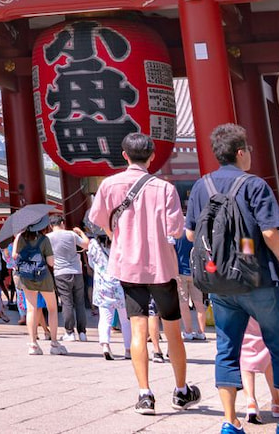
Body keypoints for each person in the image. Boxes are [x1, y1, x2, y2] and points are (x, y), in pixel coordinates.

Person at [184, 123, 279, 434]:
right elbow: (270, 232)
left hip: (220, 282)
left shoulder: (202, 187)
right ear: (241, 152)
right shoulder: (255, 185)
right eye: (250, 150)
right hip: (257, 278)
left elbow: (190, 233)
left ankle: (230, 422)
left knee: (227, 348)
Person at [90, 131, 200, 414]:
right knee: (172, 330)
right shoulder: (164, 189)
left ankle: (145, 394)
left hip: (128, 266)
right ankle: (180, 390)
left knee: (138, 329)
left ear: (124, 155)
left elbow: (98, 221)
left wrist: (117, 234)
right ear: (152, 156)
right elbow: (176, 230)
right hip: (160, 266)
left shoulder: (109, 185)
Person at [11, 227, 64, 356]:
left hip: (27, 276)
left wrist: (17, 238)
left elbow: (14, 256)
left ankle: (33, 344)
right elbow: (51, 262)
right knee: (52, 309)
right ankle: (54, 343)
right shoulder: (44, 239)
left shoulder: (20, 238)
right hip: (43, 277)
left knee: (31, 309)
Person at [88, 230, 129, 361]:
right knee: (125, 319)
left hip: (102, 283)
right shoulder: (120, 240)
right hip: (120, 283)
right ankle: (128, 349)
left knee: (105, 317)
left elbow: (91, 263)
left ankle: (105, 345)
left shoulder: (93, 243)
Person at [47, 216, 90, 340]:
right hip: (76, 271)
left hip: (60, 272)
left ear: (51, 226)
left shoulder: (48, 238)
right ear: (62, 223)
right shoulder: (71, 234)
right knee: (80, 302)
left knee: (67, 303)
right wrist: (81, 232)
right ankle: (82, 333)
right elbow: (87, 244)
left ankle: (70, 332)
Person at [173, 231, 207, 342]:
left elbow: (173, 254)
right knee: (199, 304)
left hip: (180, 272)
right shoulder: (195, 235)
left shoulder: (176, 236)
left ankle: (188, 331)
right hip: (195, 272)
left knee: (183, 304)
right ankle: (201, 332)